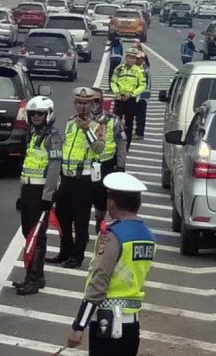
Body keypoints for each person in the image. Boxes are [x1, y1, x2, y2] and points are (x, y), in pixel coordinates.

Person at [66, 172, 156, 356]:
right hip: (132, 324)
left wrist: (79, 325)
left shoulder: (112, 236)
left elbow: (99, 280)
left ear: (111, 202)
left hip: (108, 325)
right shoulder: (148, 236)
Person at [50, 87, 107, 269]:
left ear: (92, 104)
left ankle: (77, 256)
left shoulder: (98, 124)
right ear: (75, 104)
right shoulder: (69, 122)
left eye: (86, 103)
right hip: (67, 177)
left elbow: (99, 148)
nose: (82, 107)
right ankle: (64, 252)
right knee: (62, 216)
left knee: (81, 220)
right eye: (79, 103)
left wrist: (86, 131)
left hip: (84, 180)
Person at [12, 96, 62, 295]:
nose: (35, 118)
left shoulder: (53, 138)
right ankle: (35, 276)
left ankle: (33, 278)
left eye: (39, 114)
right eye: (33, 114)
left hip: (41, 192)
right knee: (27, 232)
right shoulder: (33, 135)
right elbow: (28, 166)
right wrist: (21, 194)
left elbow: (54, 168)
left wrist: (47, 197)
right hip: (28, 190)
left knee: (37, 236)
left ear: (48, 114)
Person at [89, 87, 127, 233]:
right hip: (86, 165)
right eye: (91, 100)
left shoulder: (113, 119)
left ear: (102, 100)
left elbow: (122, 142)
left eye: (97, 100)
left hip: (106, 165)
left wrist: (121, 165)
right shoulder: (80, 120)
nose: (94, 103)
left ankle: (100, 219)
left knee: (101, 197)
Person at [110, 49, 146, 150]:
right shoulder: (119, 68)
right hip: (119, 98)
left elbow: (142, 86)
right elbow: (113, 82)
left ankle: (126, 146)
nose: (131, 60)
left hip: (130, 99)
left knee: (128, 123)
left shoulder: (139, 70)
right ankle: (113, 144)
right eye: (129, 57)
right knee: (115, 122)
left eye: (133, 58)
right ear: (126, 58)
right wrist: (116, 93)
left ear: (135, 60)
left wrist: (131, 94)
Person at [133, 50, 150, 141]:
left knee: (140, 115)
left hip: (141, 95)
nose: (136, 60)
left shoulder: (142, 69)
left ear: (142, 59)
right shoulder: (144, 67)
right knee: (138, 114)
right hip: (141, 94)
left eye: (138, 58)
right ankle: (138, 132)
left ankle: (139, 133)